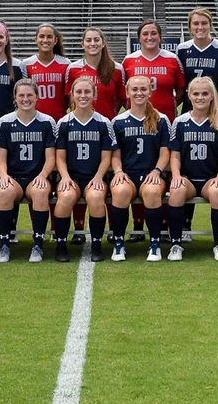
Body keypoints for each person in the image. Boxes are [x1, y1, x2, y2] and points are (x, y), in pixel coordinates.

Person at [121, 19, 184, 241]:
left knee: (160, 173)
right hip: (135, 120)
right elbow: (124, 90)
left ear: (160, 36)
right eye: (145, 34)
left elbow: (181, 89)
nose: (149, 37)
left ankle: (164, 227)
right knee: (137, 168)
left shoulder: (172, 59)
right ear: (138, 38)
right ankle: (138, 227)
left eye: (154, 33)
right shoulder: (129, 60)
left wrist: (167, 110)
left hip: (162, 121)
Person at [65, 27, 126, 242]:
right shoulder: (73, 69)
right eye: (88, 40)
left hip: (106, 129)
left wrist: (108, 116)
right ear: (82, 44)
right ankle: (79, 230)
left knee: (105, 182)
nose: (92, 43)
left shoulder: (116, 69)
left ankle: (110, 229)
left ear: (102, 43)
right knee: (79, 175)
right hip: (80, 129)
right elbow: (68, 99)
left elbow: (121, 99)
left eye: (96, 40)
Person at [53, 77, 117, 263]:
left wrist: (98, 177)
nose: (83, 96)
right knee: (65, 197)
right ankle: (61, 244)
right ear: (71, 95)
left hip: (93, 176)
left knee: (96, 197)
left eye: (87, 92)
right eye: (78, 92)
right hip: (71, 176)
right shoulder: (64, 123)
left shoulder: (103, 123)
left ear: (94, 95)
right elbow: (60, 157)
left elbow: (107, 157)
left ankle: (96, 244)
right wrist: (64, 177)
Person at [169, 77, 218, 262]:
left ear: (212, 96)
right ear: (189, 95)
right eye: (196, 94)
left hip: (209, 178)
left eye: (205, 93)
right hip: (187, 177)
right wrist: (176, 176)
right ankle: (176, 244)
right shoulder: (180, 122)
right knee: (176, 190)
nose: (200, 97)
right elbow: (175, 155)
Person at [0, 78, 58, 263]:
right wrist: (4, 175)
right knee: (5, 192)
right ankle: (4, 245)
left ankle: (38, 244)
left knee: (39, 192)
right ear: (15, 98)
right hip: (14, 176)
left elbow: (51, 158)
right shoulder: (5, 122)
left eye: (29, 95)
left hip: (37, 175)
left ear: (37, 97)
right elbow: (1, 157)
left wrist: (43, 176)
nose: (25, 99)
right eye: (21, 95)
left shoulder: (47, 122)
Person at [111, 75, 171, 262]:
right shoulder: (118, 121)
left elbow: (165, 152)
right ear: (127, 93)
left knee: (153, 191)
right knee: (120, 191)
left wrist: (157, 171)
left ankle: (154, 244)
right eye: (134, 89)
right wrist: (119, 172)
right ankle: (119, 243)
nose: (139, 93)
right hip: (128, 173)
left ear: (150, 92)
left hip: (152, 173)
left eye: (143, 89)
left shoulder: (161, 119)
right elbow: (115, 154)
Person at [22, 23, 71, 121]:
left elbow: (69, 97)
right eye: (41, 36)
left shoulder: (65, 63)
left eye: (49, 37)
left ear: (55, 40)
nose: (45, 40)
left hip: (59, 120)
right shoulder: (26, 64)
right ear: (36, 39)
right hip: (34, 120)